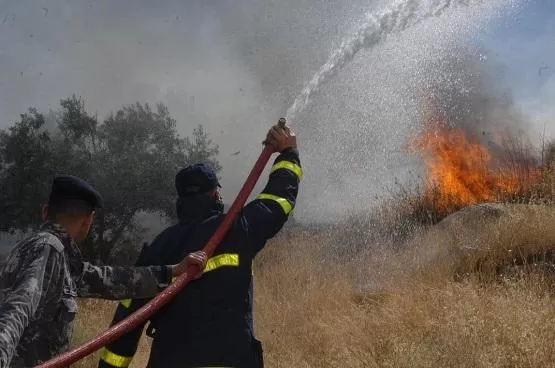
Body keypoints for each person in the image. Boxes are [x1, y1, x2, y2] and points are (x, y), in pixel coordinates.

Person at [97, 122, 301, 368]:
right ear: (215, 194)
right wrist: (289, 154)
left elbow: (126, 324)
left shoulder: (158, 248)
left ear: (180, 200)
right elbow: (277, 202)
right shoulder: (237, 229)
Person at [0, 174, 208, 368]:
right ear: (88, 221)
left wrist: (172, 271)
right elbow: (18, 308)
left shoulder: (54, 256)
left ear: (45, 211)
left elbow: (109, 279)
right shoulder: (49, 249)